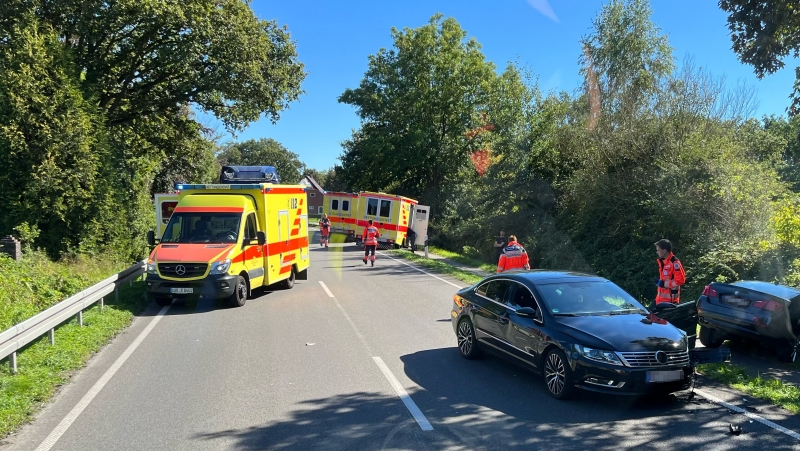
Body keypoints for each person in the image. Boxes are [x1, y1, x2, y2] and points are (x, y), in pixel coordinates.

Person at [654, 239, 686, 305]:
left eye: (658, 250)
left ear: (664, 251)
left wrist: (664, 284)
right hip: (660, 300)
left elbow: (680, 280)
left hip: (670, 302)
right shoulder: (663, 262)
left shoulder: (674, 263)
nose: (657, 252)